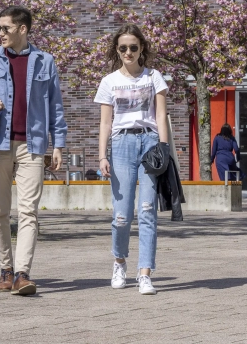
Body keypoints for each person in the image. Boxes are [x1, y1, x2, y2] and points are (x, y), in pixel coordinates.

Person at [0, 6, 67, 296]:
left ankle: (22, 274)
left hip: (32, 147)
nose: (0, 34)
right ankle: (5, 270)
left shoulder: (45, 62)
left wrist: (58, 144)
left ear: (22, 29)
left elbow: (55, 107)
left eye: (5, 28)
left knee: (28, 211)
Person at [95, 24, 169, 295]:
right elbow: (105, 122)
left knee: (147, 210)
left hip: (150, 142)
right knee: (122, 215)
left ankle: (145, 273)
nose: (128, 52)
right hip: (121, 144)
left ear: (142, 50)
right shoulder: (109, 81)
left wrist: (164, 148)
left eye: (133, 47)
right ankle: (119, 261)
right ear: (117, 50)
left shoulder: (154, 77)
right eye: (123, 47)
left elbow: (161, 116)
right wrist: (102, 155)